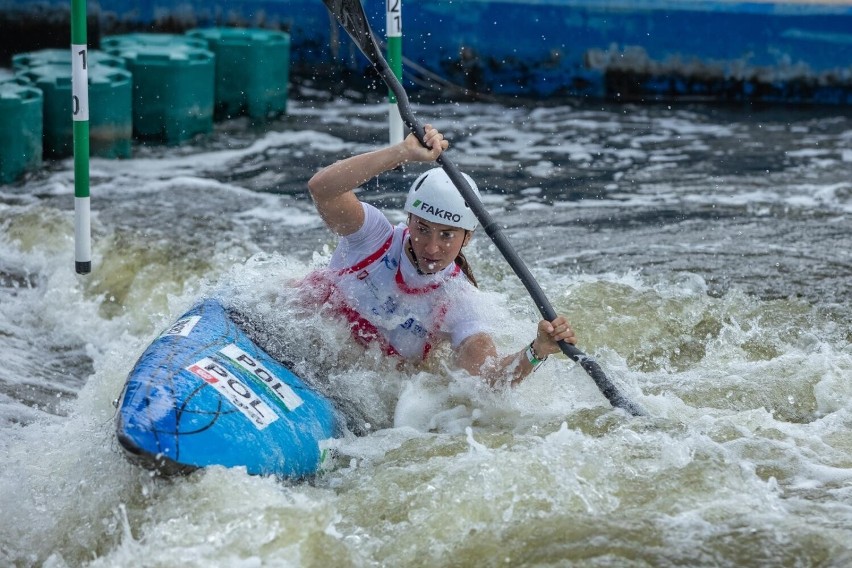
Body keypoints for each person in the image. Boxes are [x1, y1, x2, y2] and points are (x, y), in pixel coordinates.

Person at [305, 124, 576, 387]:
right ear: (409, 220)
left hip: (349, 388)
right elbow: (323, 189)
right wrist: (403, 152)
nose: (431, 248)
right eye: (422, 229)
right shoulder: (373, 237)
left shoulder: (460, 301)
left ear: (467, 237)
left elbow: (487, 381)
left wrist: (536, 350)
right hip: (293, 341)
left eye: (447, 235)